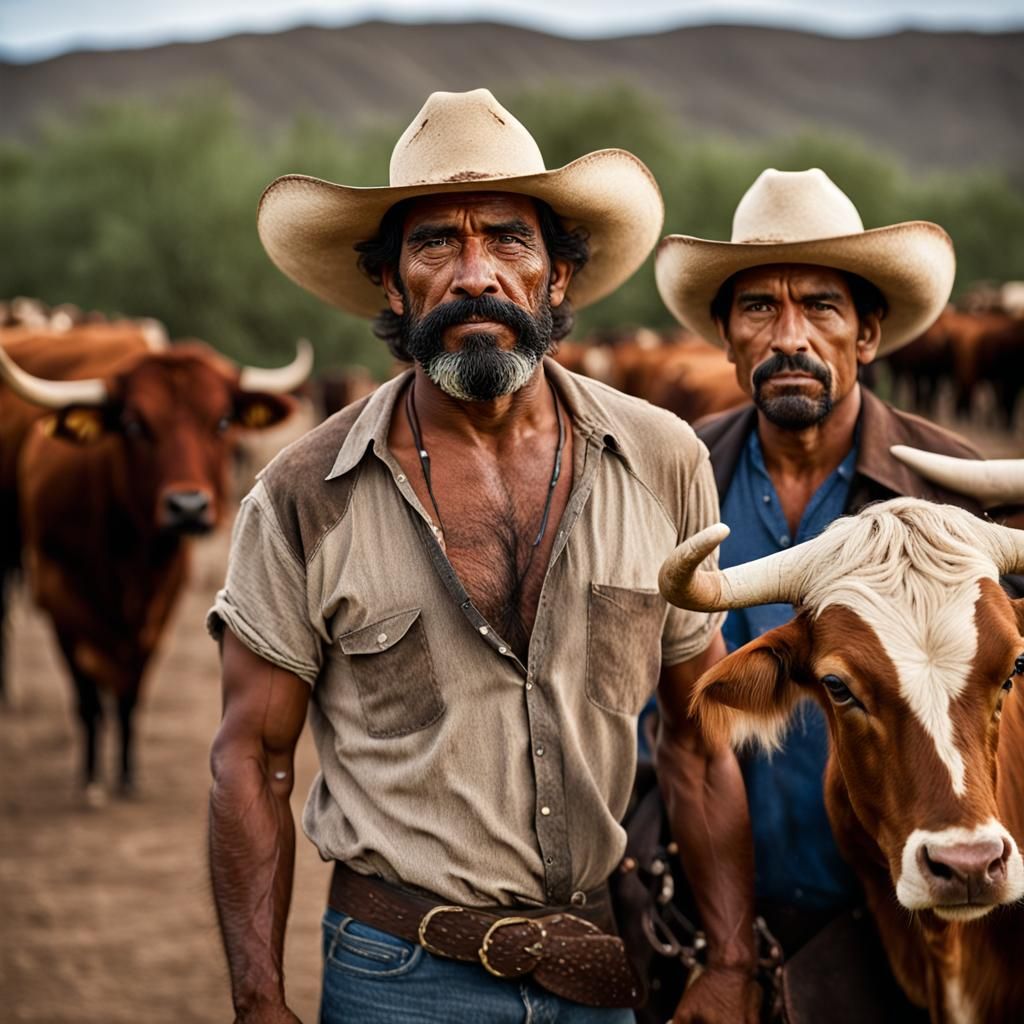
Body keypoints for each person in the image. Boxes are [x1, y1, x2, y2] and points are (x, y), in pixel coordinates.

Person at [207, 89, 760, 1024]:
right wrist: (257, 1000)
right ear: (391, 284)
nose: (475, 274)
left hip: (597, 970)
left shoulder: (663, 461)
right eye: (435, 245)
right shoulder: (304, 494)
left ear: (556, 277)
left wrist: (734, 959)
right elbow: (252, 758)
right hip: (394, 973)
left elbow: (701, 741)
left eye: (507, 239)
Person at [653, 167, 991, 1017]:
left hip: (902, 923)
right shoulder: (663, 483)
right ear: (726, 339)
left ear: (868, 334)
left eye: (822, 307)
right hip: (690, 918)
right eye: (759, 308)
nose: (789, 336)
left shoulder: (962, 500)